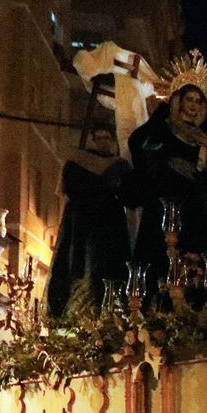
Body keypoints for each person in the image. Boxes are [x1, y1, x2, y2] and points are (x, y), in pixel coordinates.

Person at [128, 78, 207, 288]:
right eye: (188, 99)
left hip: (193, 208)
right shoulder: (164, 126)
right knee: (158, 253)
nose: (193, 105)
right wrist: (165, 158)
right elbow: (138, 143)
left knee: (193, 258)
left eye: (198, 101)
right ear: (179, 102)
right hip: (162, 202)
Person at [45, 120, 134, 317]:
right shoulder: (77, 161)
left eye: (107, 138)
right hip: (82, 224)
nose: (103, 142)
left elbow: (129, 194)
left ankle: (108, 309)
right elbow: (70, 189)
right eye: (99, 138)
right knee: (79, 264)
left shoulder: (120, 165)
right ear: (93, 140)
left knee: (107, 265)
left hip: (110, 225)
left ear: (112, 141)